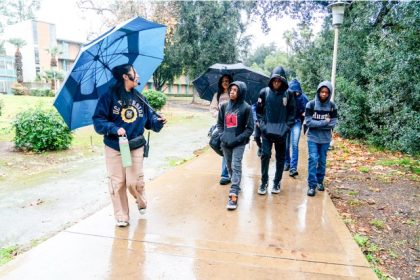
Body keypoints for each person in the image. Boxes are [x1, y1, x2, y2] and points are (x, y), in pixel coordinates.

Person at [92, 63, 167, 227]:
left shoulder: (139, 97)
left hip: (135, 145)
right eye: (135, 72)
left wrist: (158, 122)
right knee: (117, 182)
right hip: (114, 146)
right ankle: (122, 216)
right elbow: (98, 121)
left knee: (134, 182)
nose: (138, 75)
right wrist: (113, 128)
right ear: (126, 76)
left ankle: (141, 201)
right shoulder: (108, 97)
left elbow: (149, 122)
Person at [256, 66, 295, 195]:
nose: (277, 83)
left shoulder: (288, 94)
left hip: (281, 132)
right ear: (271, 80)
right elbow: (259, 112)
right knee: (265, 155)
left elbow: (292, 113)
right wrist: (263, 127)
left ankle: (277, 182)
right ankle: (264, 182)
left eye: (279, 80)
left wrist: (287, 128)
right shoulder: (264, 92)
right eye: (274, 80)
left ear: (283, 81)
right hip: (267, 132)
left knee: (280, 158)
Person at [217, 81, 254, 210]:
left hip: (239, 143)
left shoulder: (246, 108)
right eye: (231, 89)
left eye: (235, 90)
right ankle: (236, 184)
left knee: (235, 165)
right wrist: (222, 136)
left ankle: (233, 194)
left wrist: (238, 139)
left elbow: (250, 129)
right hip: (225, 143)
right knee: (229, 167)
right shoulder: (224, 106)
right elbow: (220, 124)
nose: (232, 91)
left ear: (241, 92)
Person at [305, 81, 338, 197]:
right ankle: (311, 185)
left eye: (326, 92)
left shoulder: (332, 106)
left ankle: (319, 181)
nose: (323, 94)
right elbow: (308, 122)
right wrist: (324, 122)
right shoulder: (310, 105)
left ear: (329, 93)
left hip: (325, 139)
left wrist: (318, 123)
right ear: (318, 92)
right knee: (313, 159)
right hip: (312, 138)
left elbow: (333, 123)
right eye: (322, 92)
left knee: (322, 161)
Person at [209, 74, 233, 185]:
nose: (225, 82)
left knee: (233, 150)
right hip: (221, 125)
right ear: (220, 83)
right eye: (223, 81)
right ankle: (225, 174)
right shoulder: (217, 95)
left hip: (233, 126)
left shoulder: (234, 93)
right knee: (223, 148)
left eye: (227, 81)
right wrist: (220, 114)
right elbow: (212, 109)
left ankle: (232, 172)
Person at [284, 79, 309, 177]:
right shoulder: (286, 96)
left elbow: (307, 111)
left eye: (297, 91)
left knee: (294, 144)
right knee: (286, 145)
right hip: (287, 123)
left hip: (297, 122)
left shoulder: (303, 98)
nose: (295, 93)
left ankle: (293, 167)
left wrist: (304, 113)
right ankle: (287, 163)